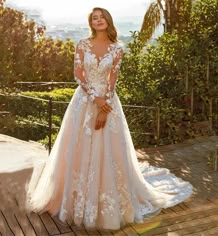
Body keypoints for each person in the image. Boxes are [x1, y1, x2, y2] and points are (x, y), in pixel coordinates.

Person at [25, 7, 193, 230]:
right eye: (94, 18)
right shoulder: (82, 45)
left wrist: (105, 108)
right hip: (83, 103)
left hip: (108, 102)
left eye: (101, 16)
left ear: (108, 20)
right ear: (91, 23)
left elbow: (113, 81)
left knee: (107, 151)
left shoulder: (117, 48)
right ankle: (74, 199)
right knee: (77, 148)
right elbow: (79, 75)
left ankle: (105, 199)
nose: (98, 20)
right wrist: (95, 99)